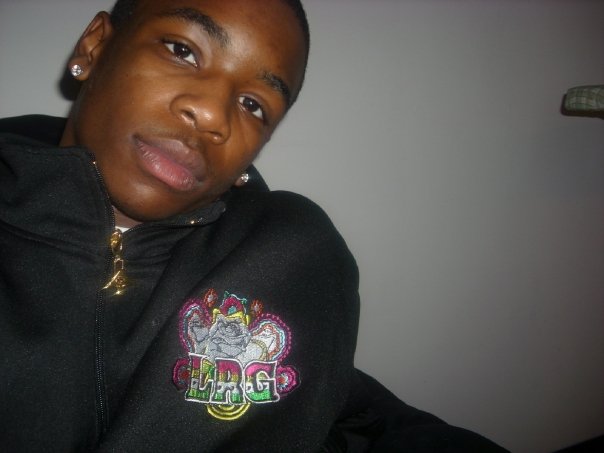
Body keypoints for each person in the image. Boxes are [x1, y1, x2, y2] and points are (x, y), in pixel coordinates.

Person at [0, 0, 507, 451]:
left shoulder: (289, 250)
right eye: (182, 50)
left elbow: (348, 412)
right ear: (94, 46)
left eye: (253, 105)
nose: (212, 115)